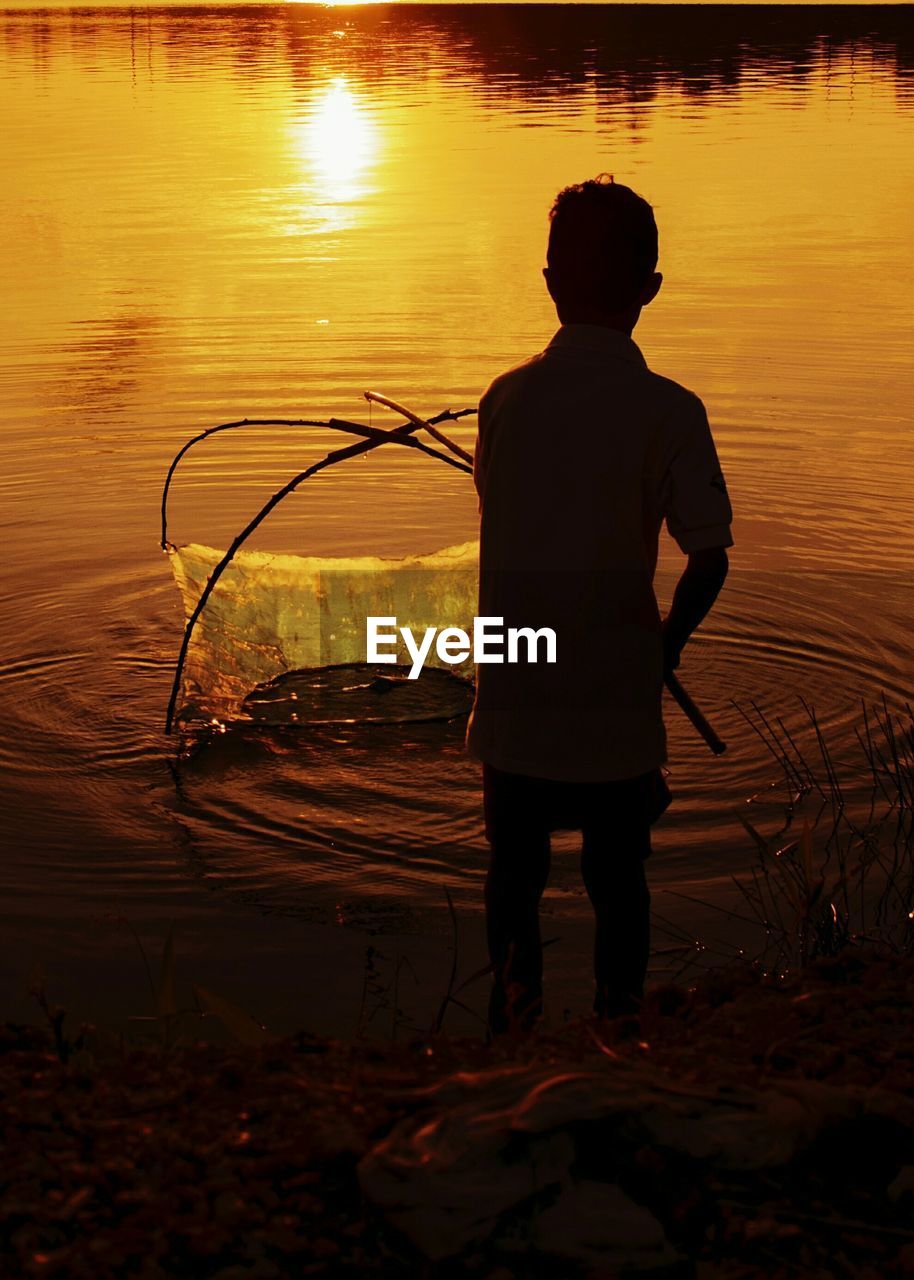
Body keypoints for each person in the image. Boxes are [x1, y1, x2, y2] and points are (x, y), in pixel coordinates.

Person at [467, 175, 732, 1034]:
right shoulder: (671, 412)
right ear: (649, 288)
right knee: (620, 875)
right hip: (616, 693)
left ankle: (515, 1024)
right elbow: (708, 558)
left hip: (515, 682)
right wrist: (668, 646)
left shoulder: (505, 399)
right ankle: (620, 1022)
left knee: (515, 868)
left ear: (548, 280)